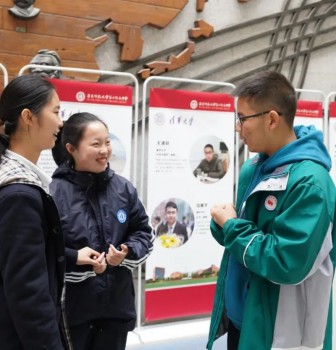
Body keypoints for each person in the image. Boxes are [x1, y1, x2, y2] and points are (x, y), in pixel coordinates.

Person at [207, 71, 336, 350]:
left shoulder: (310, 182)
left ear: (272, 119)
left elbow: (285, 262)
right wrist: (224, 225)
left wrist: (231, 227)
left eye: (242, 119)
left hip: (281, 331)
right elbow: (246, 234)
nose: (238, 128)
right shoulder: (253, 167)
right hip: (243, 317)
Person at [50, 112, 153, 350]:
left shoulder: (123, 188)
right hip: (72, 311)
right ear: (71, 148)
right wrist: (78, 260)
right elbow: (45, 248)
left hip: (116, 308)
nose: (105, 150)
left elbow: (144, 232)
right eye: (95, 144)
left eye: (107, 142)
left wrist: (127, 252)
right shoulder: (53, 192)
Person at [0, 75, 71, 348]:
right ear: (29, 117)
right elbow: (27, 293)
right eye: (55, 112)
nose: (61, 122)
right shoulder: (19, 193)